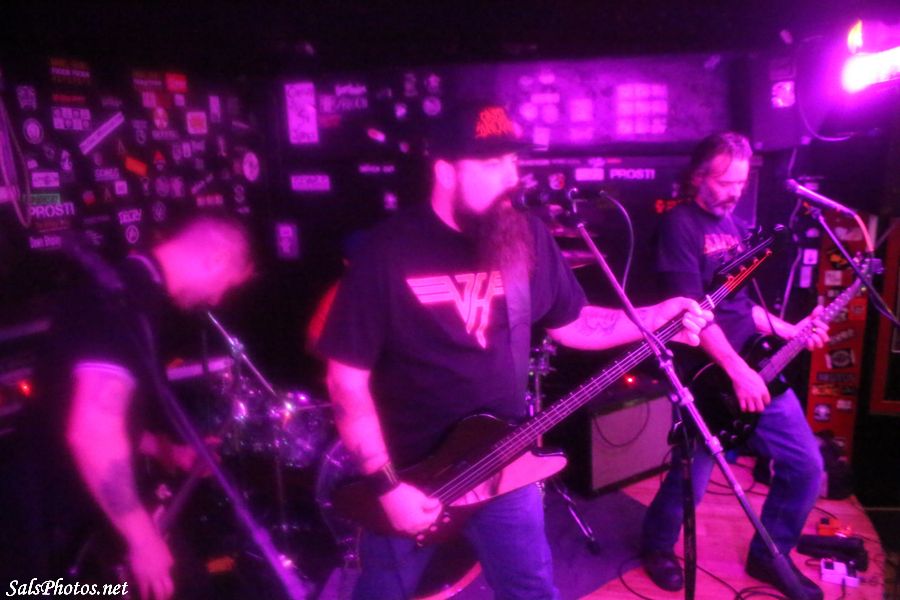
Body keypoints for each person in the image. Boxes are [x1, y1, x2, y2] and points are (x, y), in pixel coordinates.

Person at [316, 101, 712, 599]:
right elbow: (345, 380)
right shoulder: (387, 252)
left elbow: (573, 324)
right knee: (384, 593)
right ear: (445, 172)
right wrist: (387, 485)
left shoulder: (526, 239)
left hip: (504, 456)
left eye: (512, 161)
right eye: (490, 163)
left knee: (531, 589)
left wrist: (653, 317)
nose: (511, 177)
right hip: (414, 473)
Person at [639, 132, 829, 600]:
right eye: (725, 183)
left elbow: (743, 308)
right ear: (698, 177)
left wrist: (791, 330)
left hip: (755, 366)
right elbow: (689, 313)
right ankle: (656, 545)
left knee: (806, 466)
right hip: (707, 374)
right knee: (693, 477)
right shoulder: (678, 226)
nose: (735, 192)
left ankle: (770, 554)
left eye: (741, 183)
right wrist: (735, 370)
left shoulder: (738, 226)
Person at [25, 213, 254, 600]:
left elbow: (90, 412)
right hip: (60, 515)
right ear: (216, 259)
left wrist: (167, 451)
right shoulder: (121, 300)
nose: (217, 299)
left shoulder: (134, 292)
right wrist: (142, 538)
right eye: (226, 285)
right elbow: (92, 433)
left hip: (70, 505)